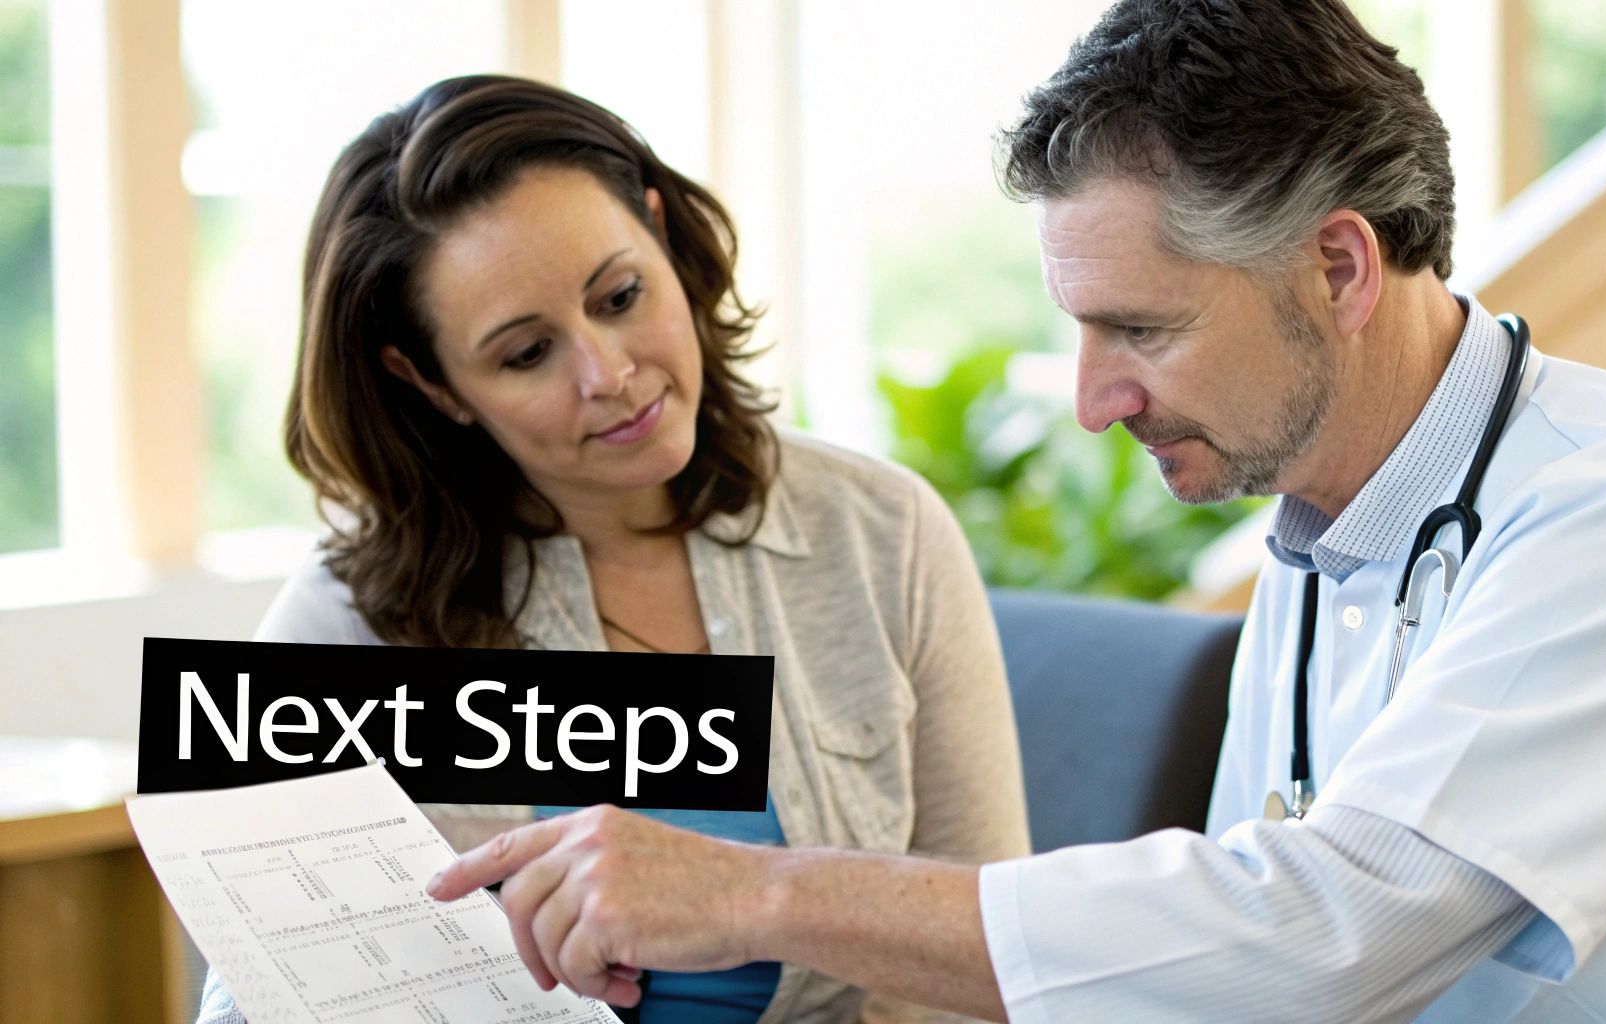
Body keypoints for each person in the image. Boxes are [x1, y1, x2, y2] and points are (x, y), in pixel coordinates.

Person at [425, 2, 1606, 1021]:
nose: (1094, 402)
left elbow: (1319, 935)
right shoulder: (1326, 534)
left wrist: (754, 893)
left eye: (1140, 330)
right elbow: (1205, 968)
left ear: (1337, 263)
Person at [195, 74, 1029, 1024]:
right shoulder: (348, 618)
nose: (610, 374)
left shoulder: (884, 535)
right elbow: (245, 1007)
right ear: (432, 383)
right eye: (525, 354)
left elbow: (995, 960)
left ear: (662, 232)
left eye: (621, 295)